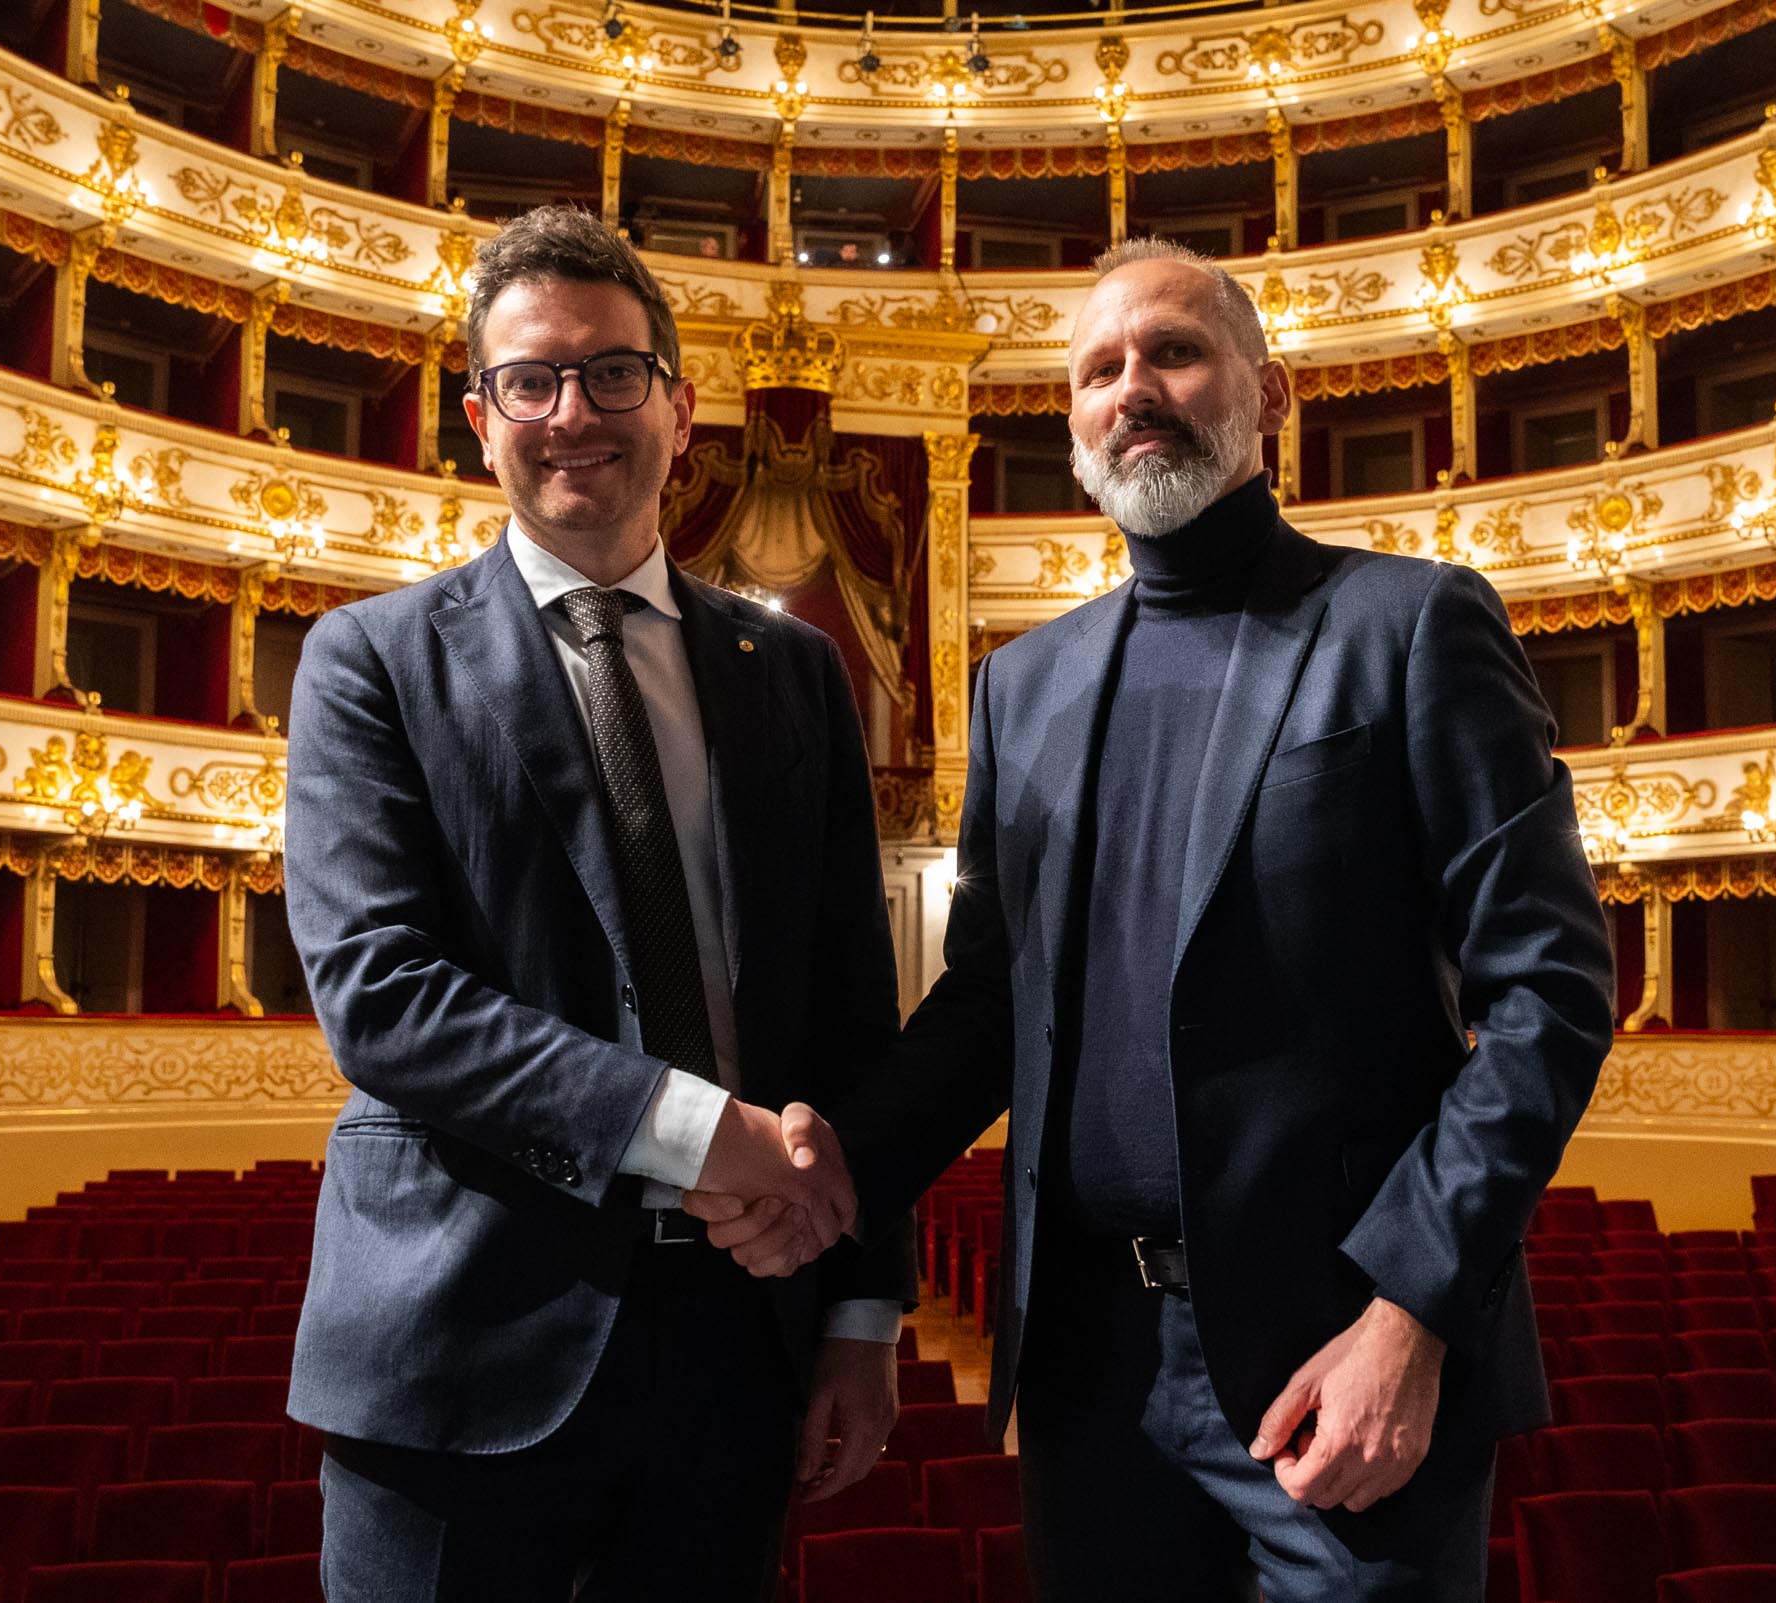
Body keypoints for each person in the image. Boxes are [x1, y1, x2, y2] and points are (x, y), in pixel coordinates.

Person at [692, 237, 1616, 1600]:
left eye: (1175, 351)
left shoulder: (1410, 626)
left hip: (1336, 1362)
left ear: (1270, 393)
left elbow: (1551, 993)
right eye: (1099, 369)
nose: (1136, 387)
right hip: (1091, 1376)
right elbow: (992, 1000)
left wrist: (1412, 1312)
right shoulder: (1027, 687)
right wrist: (841, 1163)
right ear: (1071, 422)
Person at [282, 204, 913, 1603]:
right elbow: (382, 999)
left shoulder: (792, 672)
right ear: (480, 415)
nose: (576, 412)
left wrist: (863, 1314)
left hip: (739, 1348)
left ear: (682, 411)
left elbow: (847, 1010)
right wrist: (704, 1138)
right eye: (533, 380)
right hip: (462, 1342)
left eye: (614, 374)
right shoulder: (367, 662)